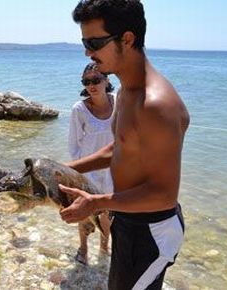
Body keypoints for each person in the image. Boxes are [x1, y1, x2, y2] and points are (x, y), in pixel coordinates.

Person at [59, 1, 190, 289]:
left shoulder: (156, 104)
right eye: (84, 42)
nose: (87, 52)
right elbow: (118, 148)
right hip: (128, 219)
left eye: (94, 42)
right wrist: (62, 169)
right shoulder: (125, 90)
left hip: (152, 231)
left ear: (127, 39)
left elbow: (164, 195)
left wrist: (96, 202)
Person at [68, 62, 116, 262]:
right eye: (86, 82)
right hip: (89, 169)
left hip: (114, 169)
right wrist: (78, 173)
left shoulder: (119, 101)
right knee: (86, 210)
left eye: (96, 80)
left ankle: (104, 248)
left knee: (108, 210)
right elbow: (74, 145)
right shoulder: (79, 109)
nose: (91, 85)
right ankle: (84, 248)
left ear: (107, 80)